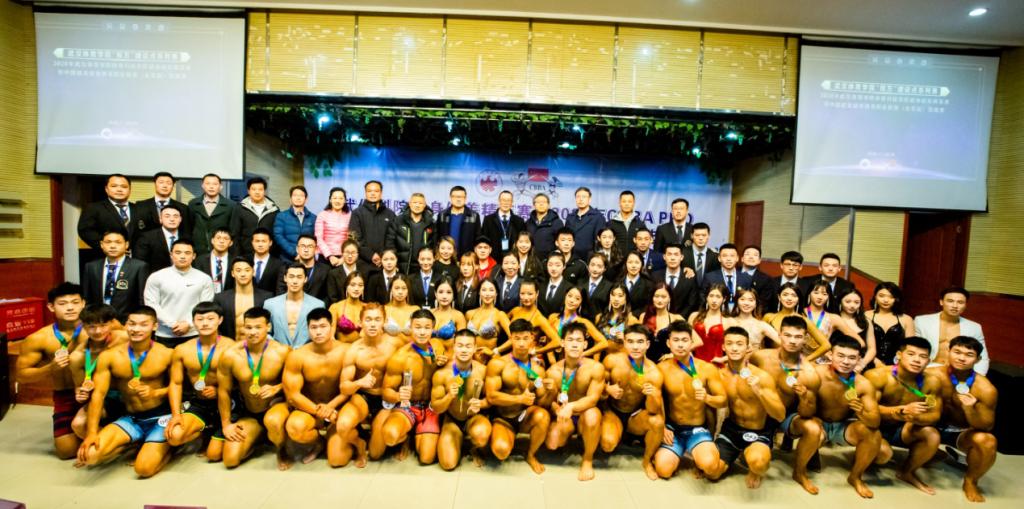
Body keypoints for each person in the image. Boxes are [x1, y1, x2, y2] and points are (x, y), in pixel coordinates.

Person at [77, 306, 175, 478]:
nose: (136, 329)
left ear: (154, 326)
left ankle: (170, 450)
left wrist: (156, 393)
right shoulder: (109, 356)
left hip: (160, 417)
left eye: (143, 324)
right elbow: (98, 395)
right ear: (125, 325)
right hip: (131, 418)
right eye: (132, 324)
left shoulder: (167, 354)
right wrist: (91, 433)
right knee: (90, 456)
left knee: (143, 469)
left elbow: (182, 388)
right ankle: (135, 444)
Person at [803, 334, 882, 498]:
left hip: (843, 425)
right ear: (830, 355)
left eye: (852, 358)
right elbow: (804, 410)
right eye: (841, 356)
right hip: (817, 422)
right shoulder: (816, 373)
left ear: (859, 359)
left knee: (876, 438)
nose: (846, 362)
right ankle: (800, 472)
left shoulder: (863, 384)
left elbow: (875, 422)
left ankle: (855, 477)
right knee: (812, 429)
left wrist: (861, 411)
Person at [748, 316, 822, 491]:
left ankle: (800, 472)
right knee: (756, 461)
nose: (792, 341)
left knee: (813, 429)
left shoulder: (809, 373)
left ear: (805, 339)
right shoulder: (760, 357)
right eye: (788, 335)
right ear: (779, 335)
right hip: (760, 413)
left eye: (798, 336)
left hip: (786, 416)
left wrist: (803, 397)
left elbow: (807, 413)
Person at [17, 283, 89, 459]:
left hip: (95, 392)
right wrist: (50, 368)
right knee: (66, 451)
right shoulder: (39, 338)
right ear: (51, 307)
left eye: (75, 302)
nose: (70, 308)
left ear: (83, 304)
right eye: (63, 303)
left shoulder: (96, 330)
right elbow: (21, 376)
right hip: (64, 395)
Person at [864, 336, 943, 495]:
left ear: (928, 361)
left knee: (932, 435)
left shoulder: (932, 382)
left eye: (923, 357)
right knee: (883, 455)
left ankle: (907, 472)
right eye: (911, 354)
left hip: (903, 428)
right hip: (874, 427)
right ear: (899, 355)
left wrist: (915, 418)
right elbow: (866, 410)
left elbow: (935, 415)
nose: (917, 360)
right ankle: (864, 456)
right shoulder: (877, 376)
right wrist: (899, 411)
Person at [215, 307, 292, 469]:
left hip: (276, 407)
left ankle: (282, 449)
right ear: (243, 327)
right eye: (248, 327)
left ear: (268, 327)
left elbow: (297, 383)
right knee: (230, 460)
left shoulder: (282, 351)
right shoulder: (230, 355)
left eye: (258, 327)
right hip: (250, 412)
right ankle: (259, 437)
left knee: (273, 420)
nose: (252, 332)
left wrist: (277, 387)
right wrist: (226, 424)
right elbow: (224, 391)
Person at [653, 320, 728, 480]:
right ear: (668, 343)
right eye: (676, 340)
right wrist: (662, 427)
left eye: (684, 340)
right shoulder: (661, 368)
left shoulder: (707, 368)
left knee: (710, 467)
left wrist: (707, 398)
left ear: (691, 342)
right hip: (672, 429)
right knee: (663, 471)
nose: (680, 345)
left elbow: (723, 400)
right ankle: (676, 454)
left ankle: (699, 453)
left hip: (697, 430)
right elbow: (656, 400)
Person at [716, 327, 786, 489]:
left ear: (748, 347)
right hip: (731, 430)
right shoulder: (720, 375)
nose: (734, 348)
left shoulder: (762, 376)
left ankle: (753, 466)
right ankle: (734, 454)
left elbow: (780, 415)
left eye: (739, 344)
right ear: (723, 347)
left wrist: (759, 392)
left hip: (758, 432)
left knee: (758, 464)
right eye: (730, 343)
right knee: (712, 472)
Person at [164, 302, 235, 461]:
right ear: (193, 322)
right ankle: (204, 430)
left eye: (210, 319)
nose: (205, 323)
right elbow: (176, 383)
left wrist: (219, 390)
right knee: (175, 436)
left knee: (214, 455)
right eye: (200, 319)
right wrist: (176, 415)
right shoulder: (182, 349)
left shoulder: (231, 347)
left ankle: (216, 430)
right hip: (200, 403)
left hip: (229, 402)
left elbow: (242, 381)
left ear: (220, 320)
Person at [932, 336, 998, 502]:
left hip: (960, 432)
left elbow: (986, 426)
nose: (961, 358)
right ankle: (925, 457)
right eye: (957, 352)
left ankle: (971, 481)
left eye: (969, 355)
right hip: (930, 425)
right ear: (948, 352)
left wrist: (969, 409)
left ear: (978, 359)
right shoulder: (931, 374)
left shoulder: (985, 389)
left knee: (987, 441)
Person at [281, 308, 350, 465]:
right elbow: (292, 395)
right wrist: (320, 412)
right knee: (295, 428)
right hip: (310, 408)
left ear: (332, 327)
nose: (318, 332)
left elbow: (351, 387)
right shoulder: (297, 356)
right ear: (308, 329)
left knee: (337, 460)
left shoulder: (346, 351)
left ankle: (339, 438)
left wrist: (330, 409)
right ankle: (319, 442)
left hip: (339, 408)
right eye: (313, 327)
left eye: (323, 326)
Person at [485, 318, 554, 474]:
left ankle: (530, 454)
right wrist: (519, 399)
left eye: (525, 338)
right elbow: (491, 397)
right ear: (511, 338)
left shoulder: (537, 369)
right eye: (517, 338)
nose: (521, 343)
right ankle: (499, 437)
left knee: (543, 416)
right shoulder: (498, 364)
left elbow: (543, 404)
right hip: (502, 417)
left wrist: (552, 391)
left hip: (524, 416)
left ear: (532, 339)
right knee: (501, 451)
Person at [335, 303, 401, 464]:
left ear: (384, 322)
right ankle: (359, 444)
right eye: (368, 319)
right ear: (360, 322)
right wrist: (359, 382)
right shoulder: (354, 350)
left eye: (377, 319)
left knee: (375, 453)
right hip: (364, 396)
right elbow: (344, 387)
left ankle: (402, 440)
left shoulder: (395, 344)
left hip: (387, 399)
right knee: (343, 426)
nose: (373, 324)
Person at [380, 309, 448, 463]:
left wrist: (443, 364)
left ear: (433, 329)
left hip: (430, 407)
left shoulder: (438, 346)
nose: (422, 332)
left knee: (426, 458)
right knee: (390, 436)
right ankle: (406, 437)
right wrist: (398, 396)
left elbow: (452, 369)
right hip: (408, 406)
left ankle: (417, 434)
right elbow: (386, 392)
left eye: (427, 328)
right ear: (410, 327)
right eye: (417, 327)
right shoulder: (400, 357)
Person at [600, 324, 665, 480]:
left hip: (635, 416)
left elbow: (653, 410)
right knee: (608, 445)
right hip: (612, 411)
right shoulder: (611, 360)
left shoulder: (654, 373)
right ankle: (619, 435)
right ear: (625, 342)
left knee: (657, 422)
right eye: (630, 341)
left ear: (647, 344)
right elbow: (596, 387)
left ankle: (647, 461)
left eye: (640, 342)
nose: (635, 347)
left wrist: (652, 396)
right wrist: (607, 389)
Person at [543, 322, 606, 481]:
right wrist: (557, 409)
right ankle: (569, 439)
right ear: (562, 343)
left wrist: (572, 406)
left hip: (585, 412)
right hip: (565, 415)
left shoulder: (596, 368)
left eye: (579, 340)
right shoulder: (553, 371)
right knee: (552, 443)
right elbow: (550, 401)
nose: (574, 344)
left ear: (585, 344)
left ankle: (587, 459)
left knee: (592, 415)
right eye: (570, 340)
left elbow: (593, 399)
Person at [68, 304, 128, 444]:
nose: (98, 331)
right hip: (105, 397)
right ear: (83, 326)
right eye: (92, 326)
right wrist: (81, 394)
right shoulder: (77, 357)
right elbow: (80, 387)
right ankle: (115, 446)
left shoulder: (126, 339)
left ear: (112, 323)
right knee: (78, 424)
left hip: (130, 393)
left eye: (103, 325)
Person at [431, 329, 491, 470]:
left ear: (475, 348)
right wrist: (449, 396)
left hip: (473, 417)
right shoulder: (442, 374)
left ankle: (474, 447)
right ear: (454, 347)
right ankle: (457, 440)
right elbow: (436, 408)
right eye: (460, 345)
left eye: (468, 346)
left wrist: (481, 404)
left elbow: (491, 400)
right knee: (448, 464)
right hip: (452, 419)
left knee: (481, 435)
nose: (464, 350)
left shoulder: (483, 371)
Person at [144, 239, 216, 347]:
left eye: (187, 253)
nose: (182, 256)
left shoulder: (204, 278)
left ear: (194, 256)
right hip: (164, 334)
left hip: (194, 333)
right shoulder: (156, 277)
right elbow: (151, 305)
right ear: (171, 255)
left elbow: (205, 306)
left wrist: (189, 324)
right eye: (178, 253)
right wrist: (172, 324)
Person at [915, 287, 988, 374]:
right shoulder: (922, 321)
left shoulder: (974, 327)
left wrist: (977, 376)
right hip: (929, 368)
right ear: (941, 302)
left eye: (960, 302)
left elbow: (983, 357)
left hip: (958, 371)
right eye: (950, 301)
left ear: (965, 305)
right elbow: (912, 349)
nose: (955, 306)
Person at [81, 230, 149, 322]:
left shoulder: (139, 267)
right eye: (108, 242)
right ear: (102, 244)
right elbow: (87, 297)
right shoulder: (91, 267)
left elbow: (142, 298)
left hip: (127, 321)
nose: (112, 246)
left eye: (118, 242)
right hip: (98, 321)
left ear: (126, 245)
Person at [264, 263, 327, 347]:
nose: (295, 281)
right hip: (278, 352)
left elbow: (320, 332)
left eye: (299, 277)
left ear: (305, 279)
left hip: (306, 352)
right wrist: (278, 348)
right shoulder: (270, 304)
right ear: (285, 278)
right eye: (291, 277)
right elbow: (265, 332)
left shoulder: (317, 305)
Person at [763, 283, 830, 362]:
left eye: (794, 295)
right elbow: (760, 341)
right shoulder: (769, 317)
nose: (789, 298)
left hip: (793, 362)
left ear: (798, 299)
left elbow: (826, 345)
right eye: (785, 295)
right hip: (770, 361)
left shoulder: (804, 320)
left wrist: (805, 360)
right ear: (779, 297)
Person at [214, 257, 272, 340]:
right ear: (232, 273)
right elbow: (216, 325)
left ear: (253, 272)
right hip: (230, 344)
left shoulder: (266, 297)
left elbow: (271, 325)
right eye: (238, 270)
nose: (243, 274)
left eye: (247, 270)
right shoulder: (221, 298)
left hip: (257, 345)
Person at [77, 174, 138, 251]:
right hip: (105, 254)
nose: (119, 189)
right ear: (106, 189)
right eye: (114, 186)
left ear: (130, 190)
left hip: (138, 255)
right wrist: (108, 247)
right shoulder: (93, 208)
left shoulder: (138, 208)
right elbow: (86, 231)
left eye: (124, 186)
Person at [866, 282, 916, 366]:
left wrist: (898, 363)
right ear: (875, 296)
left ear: (897, 299)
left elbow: (910, 347)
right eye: (881, 296)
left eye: (891, 297)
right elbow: (861, 344)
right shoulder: (867, 315)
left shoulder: (907, 319)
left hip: (896, 364)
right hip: (869, 361)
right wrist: (874, 360)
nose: (886, 300)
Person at [348, 180, 396, 267]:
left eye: (376, 191)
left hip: (385, 262)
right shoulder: (357, 213)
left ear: (381, 193)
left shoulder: (390, 214)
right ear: (365, 193)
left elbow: (392, 238)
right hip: (362, 262)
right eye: (369, 191)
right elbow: (355, 238)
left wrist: (384, 255)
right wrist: (370, 255)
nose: (373, 194)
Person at [188, 173, 236, 256]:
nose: (211, 187)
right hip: (198, 250)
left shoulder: (231, 205)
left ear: (221, 187)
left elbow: (233, 230)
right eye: (208, 183)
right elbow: (189, 227)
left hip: (222, 250)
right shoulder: (193, 204)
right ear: (202, 186)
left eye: (215, 184)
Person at [387, 192, 435, 274]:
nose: (417, 205)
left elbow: (434, 244)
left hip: (424, 265)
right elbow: (390, 242)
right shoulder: (398, 220)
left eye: (420, 203)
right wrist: (393, 262)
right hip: (402, 266)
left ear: (424, 205)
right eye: (415, 202)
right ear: (409, 204)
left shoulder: (431, 223)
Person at [232, 176, 279, 258]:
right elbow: (234, 234)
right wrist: (237, 256)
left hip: (268, 255)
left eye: (260, 189)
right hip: (245, 255)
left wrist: (274, 255)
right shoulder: (240, 208)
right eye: (254, 189)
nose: (257, 192)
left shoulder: (274, 209)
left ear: (264, 191)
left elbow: (276, 235)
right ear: (248, 191)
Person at [466, 279, 513, 361]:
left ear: (496, 293)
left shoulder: (499, 314)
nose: (487, 294)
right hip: (470, 359)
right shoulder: (469, 314)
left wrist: (495, 351)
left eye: (491, 290)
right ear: (479, 292)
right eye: (484, 290)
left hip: (490, 360)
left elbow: (514, 338)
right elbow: (462, 337)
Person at [651, 243, 699, 318]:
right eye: (669, 254)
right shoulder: (654, 276)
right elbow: (650, 300)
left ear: (681, 257)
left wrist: (677, 319)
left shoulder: (690, 277)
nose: (672, 258)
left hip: (682, 320)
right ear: (664, 257)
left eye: (676, 254)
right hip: (658, 318)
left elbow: (691, 303)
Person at [275, 234, 329, 301]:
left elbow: (327, 296)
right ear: (297, 249)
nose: (306, 250)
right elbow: (280, 293)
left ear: (316, 249)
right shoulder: (286, 268)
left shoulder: (325, 270)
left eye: (310, 246)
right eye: (303, 246)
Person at [134, 205, 186, 272]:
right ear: (160, 219)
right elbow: (140, 263)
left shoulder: (187, 237)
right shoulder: (146, 238)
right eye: (167, 216)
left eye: (175, 216)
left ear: (180, 219)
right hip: (155, 276)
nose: (172, 219)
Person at [701, 243, 752, 312]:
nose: (728, 259)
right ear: (719, 258)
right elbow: (703, 298)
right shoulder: (710, 277)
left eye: (732, 256)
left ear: (737, 258)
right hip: (717, 313)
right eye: (725, 256)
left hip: (739, 314)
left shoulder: (746, 278)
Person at [835, 288, 877, 371]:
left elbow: (872, 349)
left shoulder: (866, 321)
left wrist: (862, 364)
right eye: (848, 302)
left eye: (856, 302)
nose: (852, 305)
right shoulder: (834, 319)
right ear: (840, 302)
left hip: (862, 362)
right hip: (838, 362)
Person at [273, 185, 317, 263]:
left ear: (306, 199)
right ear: (290, 199)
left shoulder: (313, 217)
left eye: (301, 195)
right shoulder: (281, 216)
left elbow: (316, 238)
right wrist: (294, 253)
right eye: (295, 195)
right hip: (287, 259)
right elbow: (278, 236)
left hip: (308, 259)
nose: (298, 198)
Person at [595, 284, 640, 356]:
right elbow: (596, 344)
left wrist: (625, 339)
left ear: (626, 299)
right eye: (613, 295)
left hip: (622, 358)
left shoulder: (632, 320)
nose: (616, 299)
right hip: (602, 358)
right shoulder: (600, 317)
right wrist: (596, 362)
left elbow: (638, 346)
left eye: (620, 296)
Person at [436, 185, 482, 256]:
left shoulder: (474, 216)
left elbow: (478, 238)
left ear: (465, 198)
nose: (458, 199)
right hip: (446, 256)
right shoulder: (442, 215)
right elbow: (437, 237)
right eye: (455, 197)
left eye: (461, 197)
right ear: (450, 198)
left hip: (466, 257)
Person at [326, 239, 374, 303]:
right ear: (342, 253)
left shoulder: (365, 272)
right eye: (347, 252)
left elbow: (368, 295)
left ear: (358, 254)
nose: (350, 256)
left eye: (353, 253)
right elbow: (333, 297)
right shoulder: (333, 273)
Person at [565, 187, 606, 260]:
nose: (580, 199)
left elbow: (599, 242)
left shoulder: (598, 217)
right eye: (578, 197)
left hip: (589, 258)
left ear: (589, 199)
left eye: (584, 197)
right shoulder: (570, 217)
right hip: (571, 257)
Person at [481, 190, 525, 257]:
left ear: (512, 202)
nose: (506, 203)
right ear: (499, 201)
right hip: (493, 258)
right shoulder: (488, 220)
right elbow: (484, 241)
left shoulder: (519, 221)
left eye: (508, 200)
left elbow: (522, 240)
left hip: (513, 258)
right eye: (503, 200)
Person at [689, 284, 727, 363]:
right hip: (694, 364)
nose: (714, 300)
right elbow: (685, 339)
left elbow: (743, 348)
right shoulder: (694, 316)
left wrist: (723, 359)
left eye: (718, 297)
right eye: (711, 296)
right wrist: (688, 353)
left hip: (716, 366)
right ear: (706, 297)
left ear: (724, 299)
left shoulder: (728, 321)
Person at [314, 186, 351, 266]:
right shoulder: (322, 215)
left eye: (341, 198)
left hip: (344, 257)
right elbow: (318, 238)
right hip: (324, 257)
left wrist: (344, 257)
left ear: (345, 200)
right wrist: (330, 256)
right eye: (335, 198)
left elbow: (351, 239)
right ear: (330, 200)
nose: (337, 201)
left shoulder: (349, 216)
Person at [328, 272, 366, 343]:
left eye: (360, 285)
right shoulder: (336, 307)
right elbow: (330, 337)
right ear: (346, 286)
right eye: (353, 285)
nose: (356, 289)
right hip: (342, 347)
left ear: (363, 288)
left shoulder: (367, 308)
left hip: (362, 348)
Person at [195, 227, 235, 293]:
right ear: (212, 240)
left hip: (228, 298)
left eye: (226, 239)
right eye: (218, 238)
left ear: (231, 243)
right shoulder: (200, 260)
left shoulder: (235, 262)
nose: (221, 241)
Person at [431, 280, 467, 351]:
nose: (444, 296)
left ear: (453, 295)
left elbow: (462, 342)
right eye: (441, 292)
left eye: (449, 292)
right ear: (435, 294)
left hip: (450, 355)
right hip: (428, 355)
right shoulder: (430, 313)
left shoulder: (458, 316)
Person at [608, 190, 648, 255]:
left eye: (629, 201)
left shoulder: (640, 224)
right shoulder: (611, 223)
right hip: (615, 259)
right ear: (619, 203)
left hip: (634, 259)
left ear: (634, 203)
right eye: (624, 201)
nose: (627, 204)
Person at [525, 192, 563, 257]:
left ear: (549, 205)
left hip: (550, 259)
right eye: (538, 202)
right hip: (531, 258)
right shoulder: (528, 223)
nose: (541, 204)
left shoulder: (557, 222)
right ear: (533, 206)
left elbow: (561, 241)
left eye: (544, 202)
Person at [681, 222, 719, 287]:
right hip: (687, 291)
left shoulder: (715, 256)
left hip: (707, 291)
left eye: (704, 235)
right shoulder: (682, 253)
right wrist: (683, 270)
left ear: (709, 236)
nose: (701, 238)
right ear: (692, 236)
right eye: (697, 235)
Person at [740, 245, 776, 312]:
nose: (751, 257)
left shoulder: (766, 279)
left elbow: (764, 303)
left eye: (755, 255)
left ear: (759, 260)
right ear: (742, 259)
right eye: (747, 254)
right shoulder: (732, 273)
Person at [537, 252, 573, 317]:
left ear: (564, 266)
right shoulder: (540, 286)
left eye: (557, 265)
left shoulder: (570, 288)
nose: (553, 268)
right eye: (550, 265)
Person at [251, 227, 285, 295]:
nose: (260, 245)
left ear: (270, 243)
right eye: (257, 241)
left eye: (264, 241)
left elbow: (279, 289)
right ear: (252, 243)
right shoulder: (245, 261)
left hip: (270, 300)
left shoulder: (279, 264)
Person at [583, 252, 613, 319]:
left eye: (599, 266)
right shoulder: (580, 283)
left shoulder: (609, 287)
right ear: (588, 266)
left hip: (599, 321)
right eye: (592, 265)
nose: (595, 269)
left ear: (604, 269)